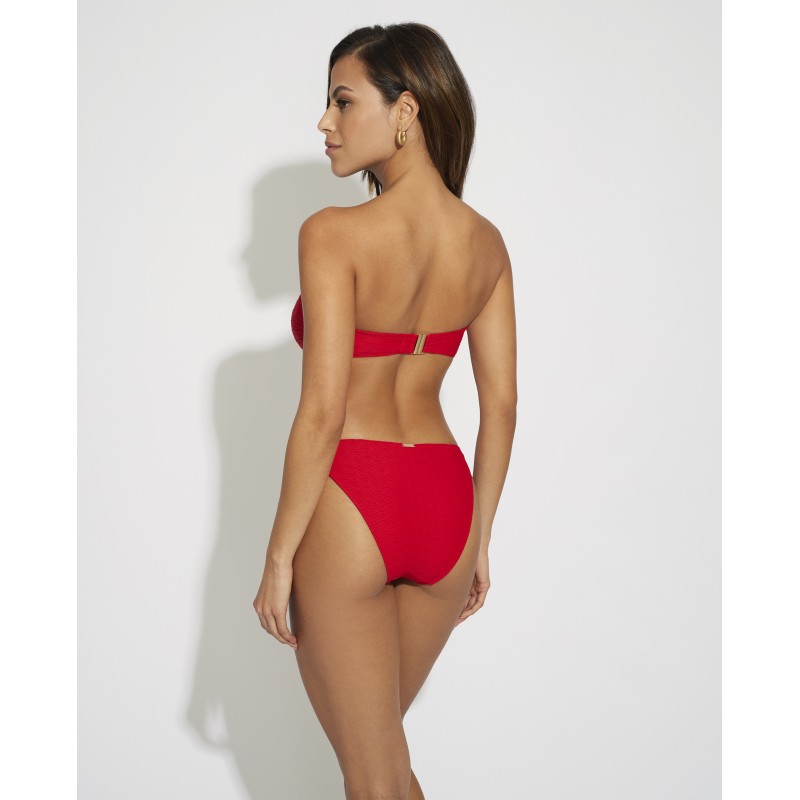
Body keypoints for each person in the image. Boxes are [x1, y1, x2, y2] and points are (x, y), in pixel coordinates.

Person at [253, 22, 517, 800]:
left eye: (343, 101)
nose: (325, 122)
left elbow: (323, 412)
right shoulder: (486, 244)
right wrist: (479, 537)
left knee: (372, 775)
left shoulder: (332, 234)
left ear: (406, 111)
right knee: (385, 767)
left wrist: (278, 556)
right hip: (446, 506)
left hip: (354, 497)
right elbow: (502, 404)